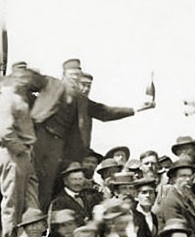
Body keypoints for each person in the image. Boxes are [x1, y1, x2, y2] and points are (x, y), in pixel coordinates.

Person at [29, 59, 153, 207]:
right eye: (72, 75)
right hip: (43, 147)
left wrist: (136, 108)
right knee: (42, 188)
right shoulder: (51, 84)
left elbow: (104, 112)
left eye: (78, 75)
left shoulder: (81, 99)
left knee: (61, 192)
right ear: (63, 75)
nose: (75, 78)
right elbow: (26, 83)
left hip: (67, 157)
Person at [0, 68, 40, 237]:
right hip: (12, 153)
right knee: (13, 201)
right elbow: (3, 131)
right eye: (23, 78)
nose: (27, 82)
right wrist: (21, 149)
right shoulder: (6, 98)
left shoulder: (18, 98)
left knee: (30, 199)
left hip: (24, 153)